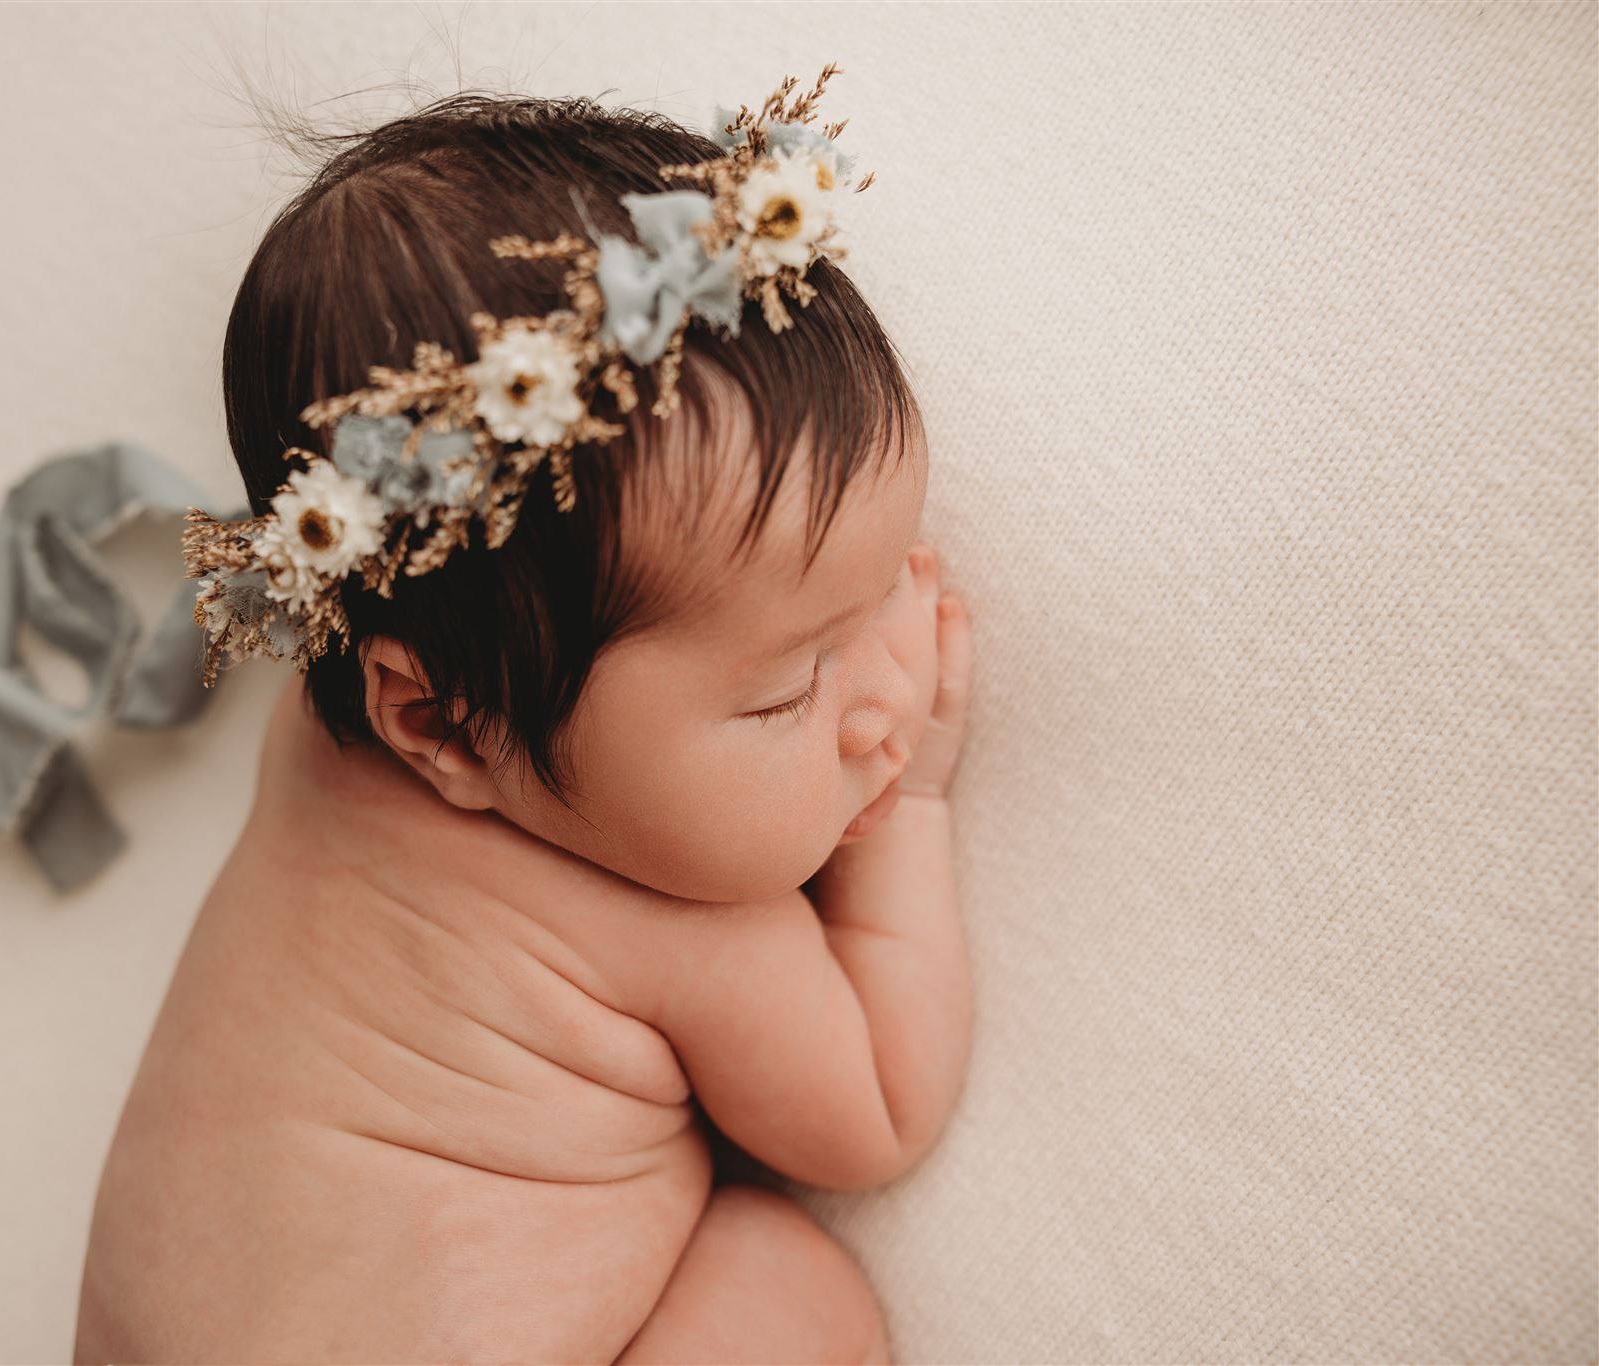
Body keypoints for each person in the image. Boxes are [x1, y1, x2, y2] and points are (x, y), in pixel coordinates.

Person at [76, 67, 974, 1364]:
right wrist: (914, 811)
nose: (888, 691)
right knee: (787, 1282)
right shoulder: (683, 909)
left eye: (886, 581)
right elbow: (881, 1107)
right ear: (444, 727)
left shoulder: (352, 728)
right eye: (788, 687)